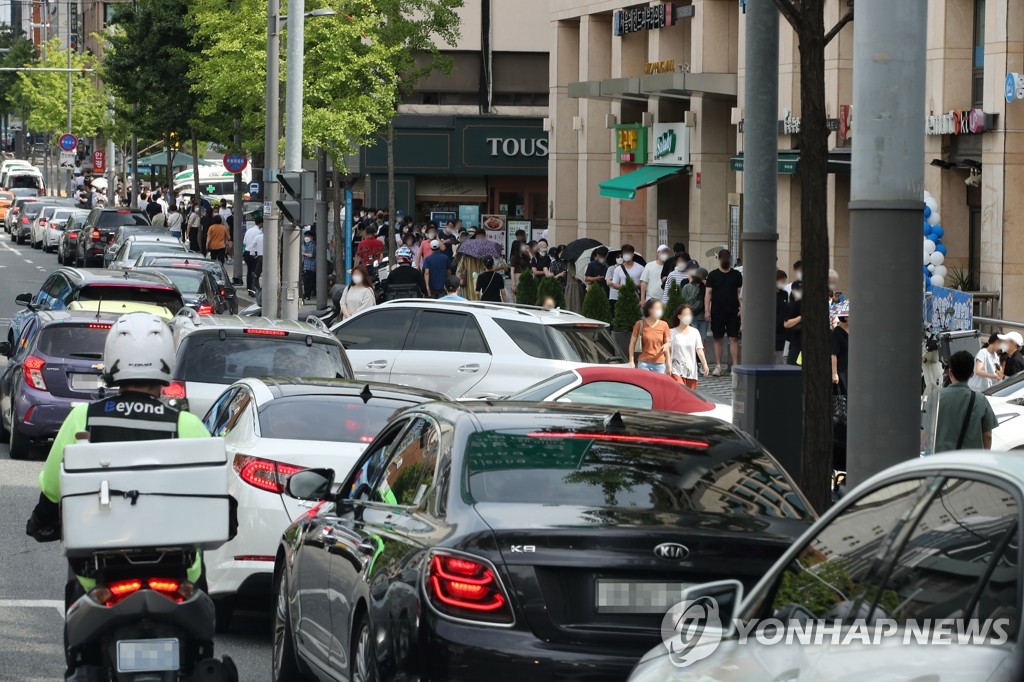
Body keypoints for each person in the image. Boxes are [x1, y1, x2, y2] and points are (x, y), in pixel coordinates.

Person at [26, 313, 211, 620]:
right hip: (176, 574)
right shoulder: (187, 425)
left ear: (112, 361)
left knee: (80, 645)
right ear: (166, 361)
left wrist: (41, 520)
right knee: (202, 638)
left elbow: (52, 490)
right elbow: (214, 499)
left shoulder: (83, 418)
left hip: (99, 574)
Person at [934, 350, 998, 452]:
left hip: (941, 462)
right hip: (969, 463)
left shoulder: (935, 397)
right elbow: (987, 436)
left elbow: (925, 433)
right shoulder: (980, 399)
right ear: (972, 374)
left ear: (950, 372)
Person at [705, 249, 743, 376]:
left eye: (728, 258)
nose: (726, 260)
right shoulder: (713, 275)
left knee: (734, 338)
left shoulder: (737, 275)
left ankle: (735, 367)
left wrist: (742, 309)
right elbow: (708, 294)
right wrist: (707, 310)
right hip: (717, 311)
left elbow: (740, 294)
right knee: (717, 338)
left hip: (733, 312)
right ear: (718, 259)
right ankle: (718, 366)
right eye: (723, 258)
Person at [669, 304, 710, 389]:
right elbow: (668, 350)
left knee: (690, 397)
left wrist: (704, 364)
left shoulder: (695, 332)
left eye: (689, 314)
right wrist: (667, 365)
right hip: (676, 369)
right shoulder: (672, 332)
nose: (688, 317)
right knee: (680, 390)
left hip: (691, 371)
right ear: (679, 316)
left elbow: (699, 349)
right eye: (685, 314)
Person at [629, 298, 671, 373]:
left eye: (660, 308)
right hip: (644, 363)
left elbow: (668, 343)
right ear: (650, 309)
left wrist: (668, 363)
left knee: (658, 384)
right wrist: (631, 361)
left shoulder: (664, 325)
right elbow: (632, 343)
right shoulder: (640, 324)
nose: (659, 310)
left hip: (659, 363)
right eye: (657, 308)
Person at [609, 244, 645, 316]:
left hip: (636, 298)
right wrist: (625, 287)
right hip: (622, 298)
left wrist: (635, 286)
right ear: (622, 254)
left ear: (633, 254)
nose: (627, 255)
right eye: (625, 253)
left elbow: (644, 283)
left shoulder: (641, 268)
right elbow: (614, 284)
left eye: (629, 253)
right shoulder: (618, 269)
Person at [682, 266, 707, 339]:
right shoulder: (687, 287)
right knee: (691, 340)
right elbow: (683, 302)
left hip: (703, 318)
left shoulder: (706, 287)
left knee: (702, 340)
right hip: (691, 317)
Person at [830, 304, 850, 394]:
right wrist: (834, 373)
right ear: (846, 317)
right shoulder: (836, 333)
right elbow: (833, 354)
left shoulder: (854, 330)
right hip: (842, 370)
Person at [784, 281, 803, 365]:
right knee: (792, 364)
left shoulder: (806, 304)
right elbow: (786, 324)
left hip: (805, 340)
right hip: (794, 340)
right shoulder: (793, 305)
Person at [243, 216, 263, 294]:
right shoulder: (259, 233)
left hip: (246, 252)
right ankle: (253, 289)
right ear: (261, 223)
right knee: (255, 272)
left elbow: (244, 242)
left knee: (249, 271)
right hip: (254, 253)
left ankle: (249, 288)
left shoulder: (249, 230)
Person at [775, 270, 790, 364]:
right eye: (782, 281)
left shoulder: (784, 294)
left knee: (782, 356)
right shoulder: (768, 294)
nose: (784, 283)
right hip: (772, 329)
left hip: (783, 328)